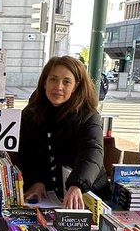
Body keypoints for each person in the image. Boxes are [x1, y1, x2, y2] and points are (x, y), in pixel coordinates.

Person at [17, 55, 107, 209]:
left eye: (66, 82)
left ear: (76, 86)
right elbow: (27, 152)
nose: (58, 86)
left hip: (88, 193)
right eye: (53, 79)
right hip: (48, 196)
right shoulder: (31, 113)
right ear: (44, 82)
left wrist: (77, 185)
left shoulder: (89, 116)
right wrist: (37, 181)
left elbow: (92, 152)